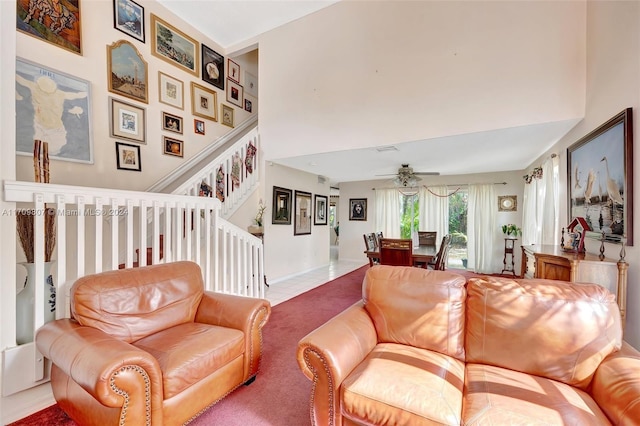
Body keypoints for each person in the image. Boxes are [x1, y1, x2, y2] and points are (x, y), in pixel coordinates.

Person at [16, 74, 88, 155]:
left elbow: (21, 80)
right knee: (45, 150)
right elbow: (76, 95)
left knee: (50, 150)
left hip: (50, 128)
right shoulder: (56, 93)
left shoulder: (38, 88)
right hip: (43, 126)